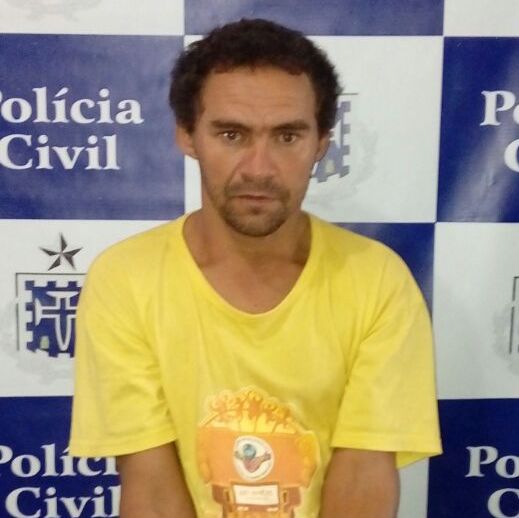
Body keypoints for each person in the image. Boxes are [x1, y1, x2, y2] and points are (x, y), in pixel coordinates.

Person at [69, 18, 442, 518]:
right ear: (186, 135)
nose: (259, 168)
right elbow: (152, 492)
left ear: (321, 142)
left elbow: (361, 485)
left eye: (287, 136)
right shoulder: (125, 279)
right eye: (231, 134)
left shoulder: (377, 281)